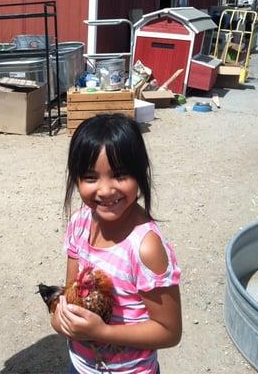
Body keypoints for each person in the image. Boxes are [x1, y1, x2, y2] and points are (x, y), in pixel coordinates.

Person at [51, 114, 182, 374]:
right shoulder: (79, 224)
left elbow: (169, 331)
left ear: (140, 173)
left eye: (120, 175)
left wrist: (104, 332)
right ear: (76, 179)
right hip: (80, 365)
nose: (106, 190)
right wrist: (61, 315)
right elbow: (71, 291)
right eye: (90, 177)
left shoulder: (145, 247)